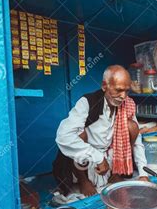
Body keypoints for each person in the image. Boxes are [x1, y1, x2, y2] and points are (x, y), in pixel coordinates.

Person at [53, 65, 149, 196]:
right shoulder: (87, 102)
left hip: (111, 157)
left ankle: (115, 173)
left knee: (132, 126)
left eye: (127, 91)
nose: (123, 96)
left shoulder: (127, 104)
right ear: (105, 86)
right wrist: (97, 157)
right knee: (78, 133)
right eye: (119, 90)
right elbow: (63, 136)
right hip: (87, 159)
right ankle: (83, 181)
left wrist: (143, 173)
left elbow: (137, 141)